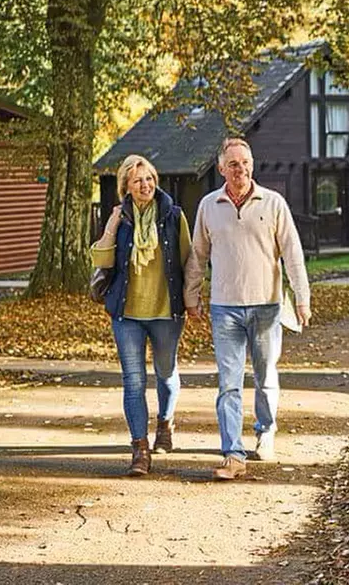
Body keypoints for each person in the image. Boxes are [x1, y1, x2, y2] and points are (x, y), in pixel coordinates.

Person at [184, 137, 311, 481]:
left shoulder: (273, 203)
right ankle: (233, 453)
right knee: (229, 383)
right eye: (233, 164)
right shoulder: (209, 205)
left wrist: (302, 298)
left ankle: (265, 431)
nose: (240, 169)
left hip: (267, 306)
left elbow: (292, 254)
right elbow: (197, 255)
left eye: (245, 163)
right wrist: (191, 296)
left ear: (252, 165)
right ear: (221, 168)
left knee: (265, 376)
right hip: (225, 308)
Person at [92, 155, 192, 476]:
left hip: (165, 311)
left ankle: (165, 422)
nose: (145, 185)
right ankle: (140, 449)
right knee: (133, 381)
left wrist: (192, 299)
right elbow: (101, 260)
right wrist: (111, 224)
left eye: (148, 178)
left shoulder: (174, 216)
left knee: (165, 372)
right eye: (137, 181)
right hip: (127, 314)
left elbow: (189, 260)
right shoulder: (120, 218)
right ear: (127, 187)